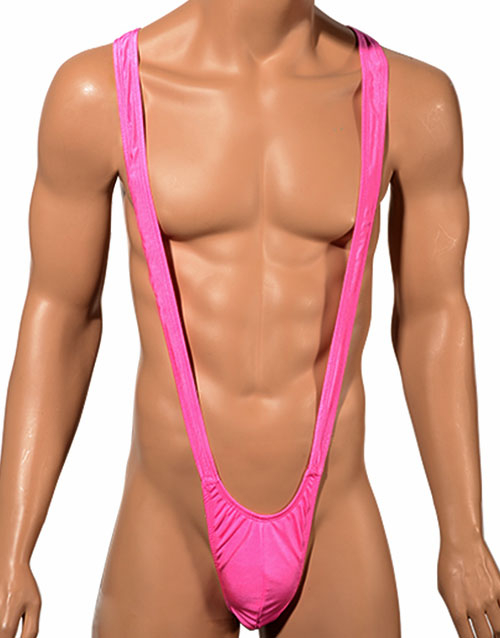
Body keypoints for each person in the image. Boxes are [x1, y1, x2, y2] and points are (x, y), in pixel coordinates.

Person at [1, 2, 499, 637]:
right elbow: (62, 315)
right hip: (170, 517)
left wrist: (463, 531)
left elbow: (433, 316)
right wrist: (11, 545)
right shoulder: (98, 93)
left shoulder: (414, 101)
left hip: (332, 516)